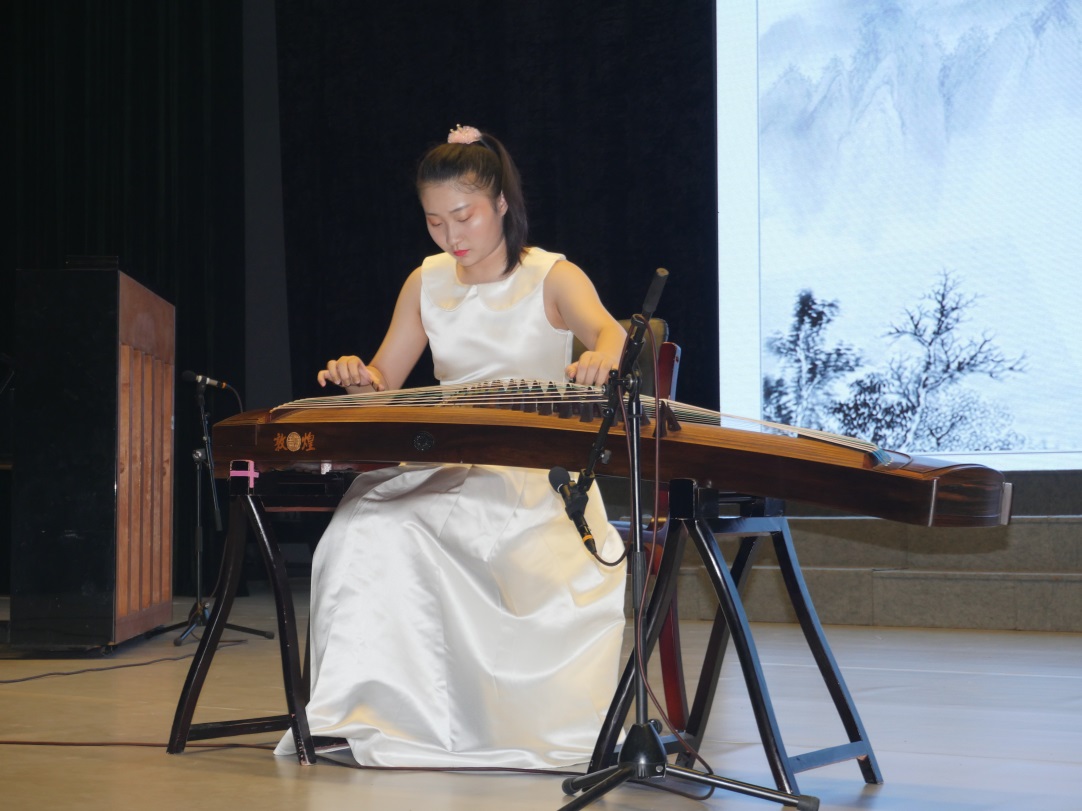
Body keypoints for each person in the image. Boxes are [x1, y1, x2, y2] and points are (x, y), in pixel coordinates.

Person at [275, 125, 629, 769]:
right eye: (434, 222)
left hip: (527, 473)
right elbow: (386, 378)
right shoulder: (427, 281)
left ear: (500, 203)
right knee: (360, 523)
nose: (450, 236)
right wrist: (361, 377)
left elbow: (609, 331)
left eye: (462, 216)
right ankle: (365, 714)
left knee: (405, 526)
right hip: (440, 457)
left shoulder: (551, 275)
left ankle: (454, 722)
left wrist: (600, 358)